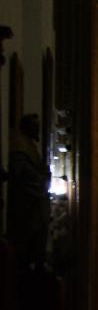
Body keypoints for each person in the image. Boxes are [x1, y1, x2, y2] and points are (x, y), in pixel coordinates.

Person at [5, 114, 51, 271]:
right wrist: (40, 178)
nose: (37, 129)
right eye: (35, 126)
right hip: (28, 204)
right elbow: (21, 174)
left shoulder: (29, 145)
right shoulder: (20, 147)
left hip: (35, 200)